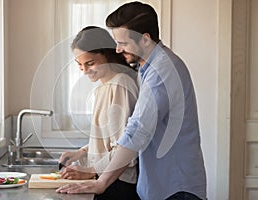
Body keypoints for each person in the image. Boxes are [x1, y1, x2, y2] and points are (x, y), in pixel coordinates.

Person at [56, 2, 207, 200]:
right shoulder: (146, 68)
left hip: (175, 188)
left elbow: (137, 130)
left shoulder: (161, 71)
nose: (117, 50)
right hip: (161, 185)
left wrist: (101, 181)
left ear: (145, 39)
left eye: (123, 43)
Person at [58, 26, 140, 200]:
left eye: (90, 63)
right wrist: (81, 152)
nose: (85, 71)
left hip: (118, 183)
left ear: (108, 54)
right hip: (108, 179)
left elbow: (125, 148)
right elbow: (107, 140)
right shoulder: (103, 86)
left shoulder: (120, 85)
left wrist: (90, 171)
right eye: (80, 65)